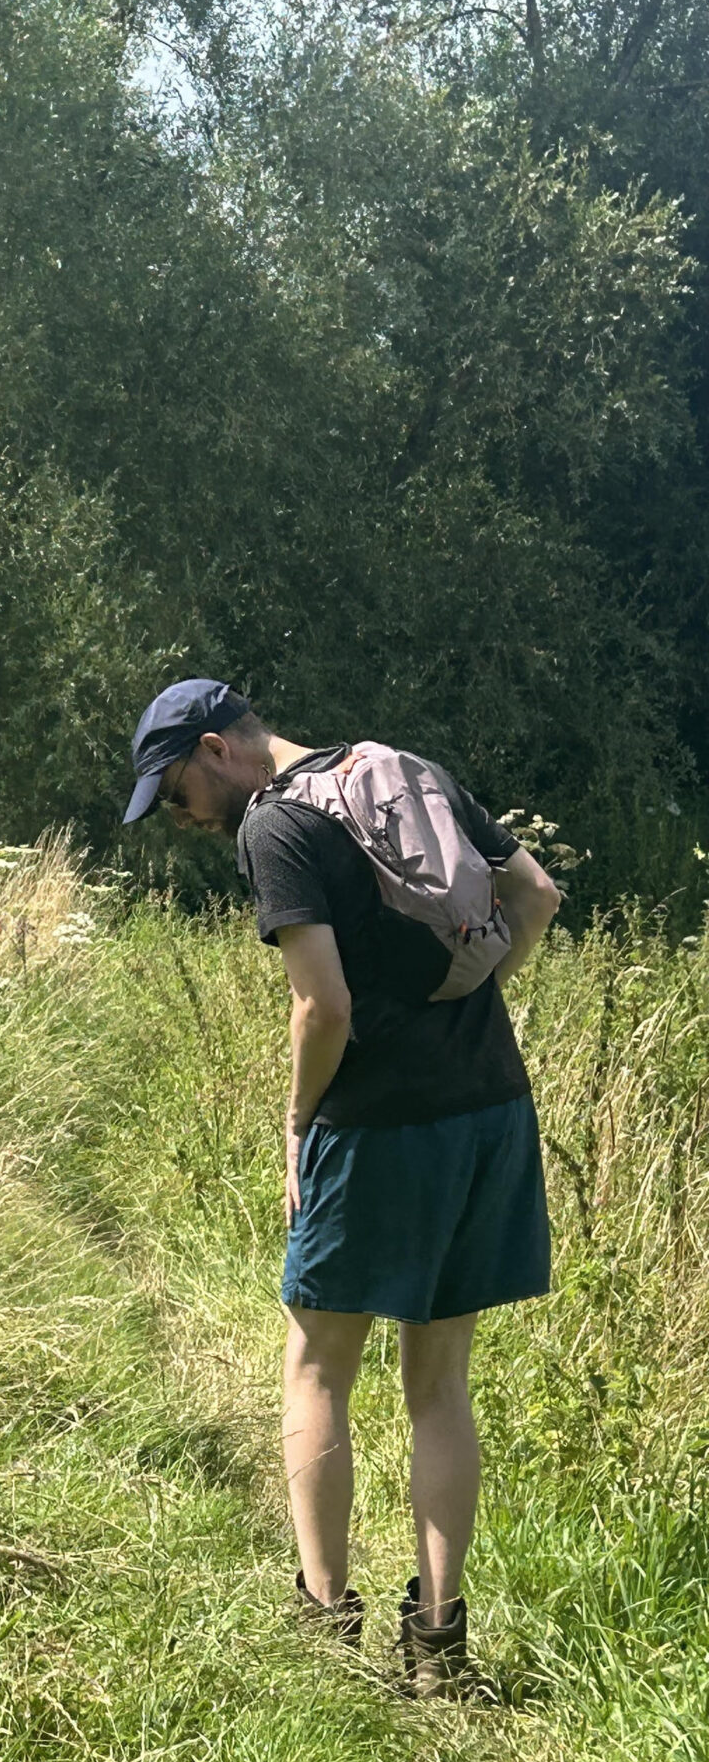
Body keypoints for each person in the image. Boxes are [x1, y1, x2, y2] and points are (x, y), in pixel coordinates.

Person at [124, 679, 561, 1697]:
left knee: (318, 1364)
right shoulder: (401, 771)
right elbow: (533, 894)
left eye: (178, 790)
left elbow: (321, 1007)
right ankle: (438, 1648)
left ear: (214, 749)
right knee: (440, 1381)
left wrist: (293, 1124)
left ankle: (325, 1626)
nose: (186, 815)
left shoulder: (273, 827)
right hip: (489, 1105)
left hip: (374, 1127)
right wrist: (474, 990)